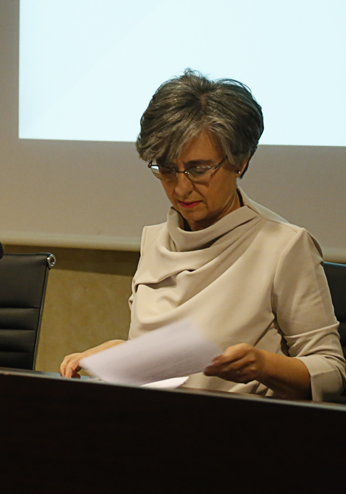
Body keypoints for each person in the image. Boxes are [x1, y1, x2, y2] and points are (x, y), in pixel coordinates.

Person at [60, 70, 345, 401]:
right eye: (167, 169)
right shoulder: (154, 241)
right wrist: (120, 354)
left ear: (240, 162)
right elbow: (170, 366)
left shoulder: (283, 246)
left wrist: (264, 366)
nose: (181, 188)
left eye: (198, 169)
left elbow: (332, 371)